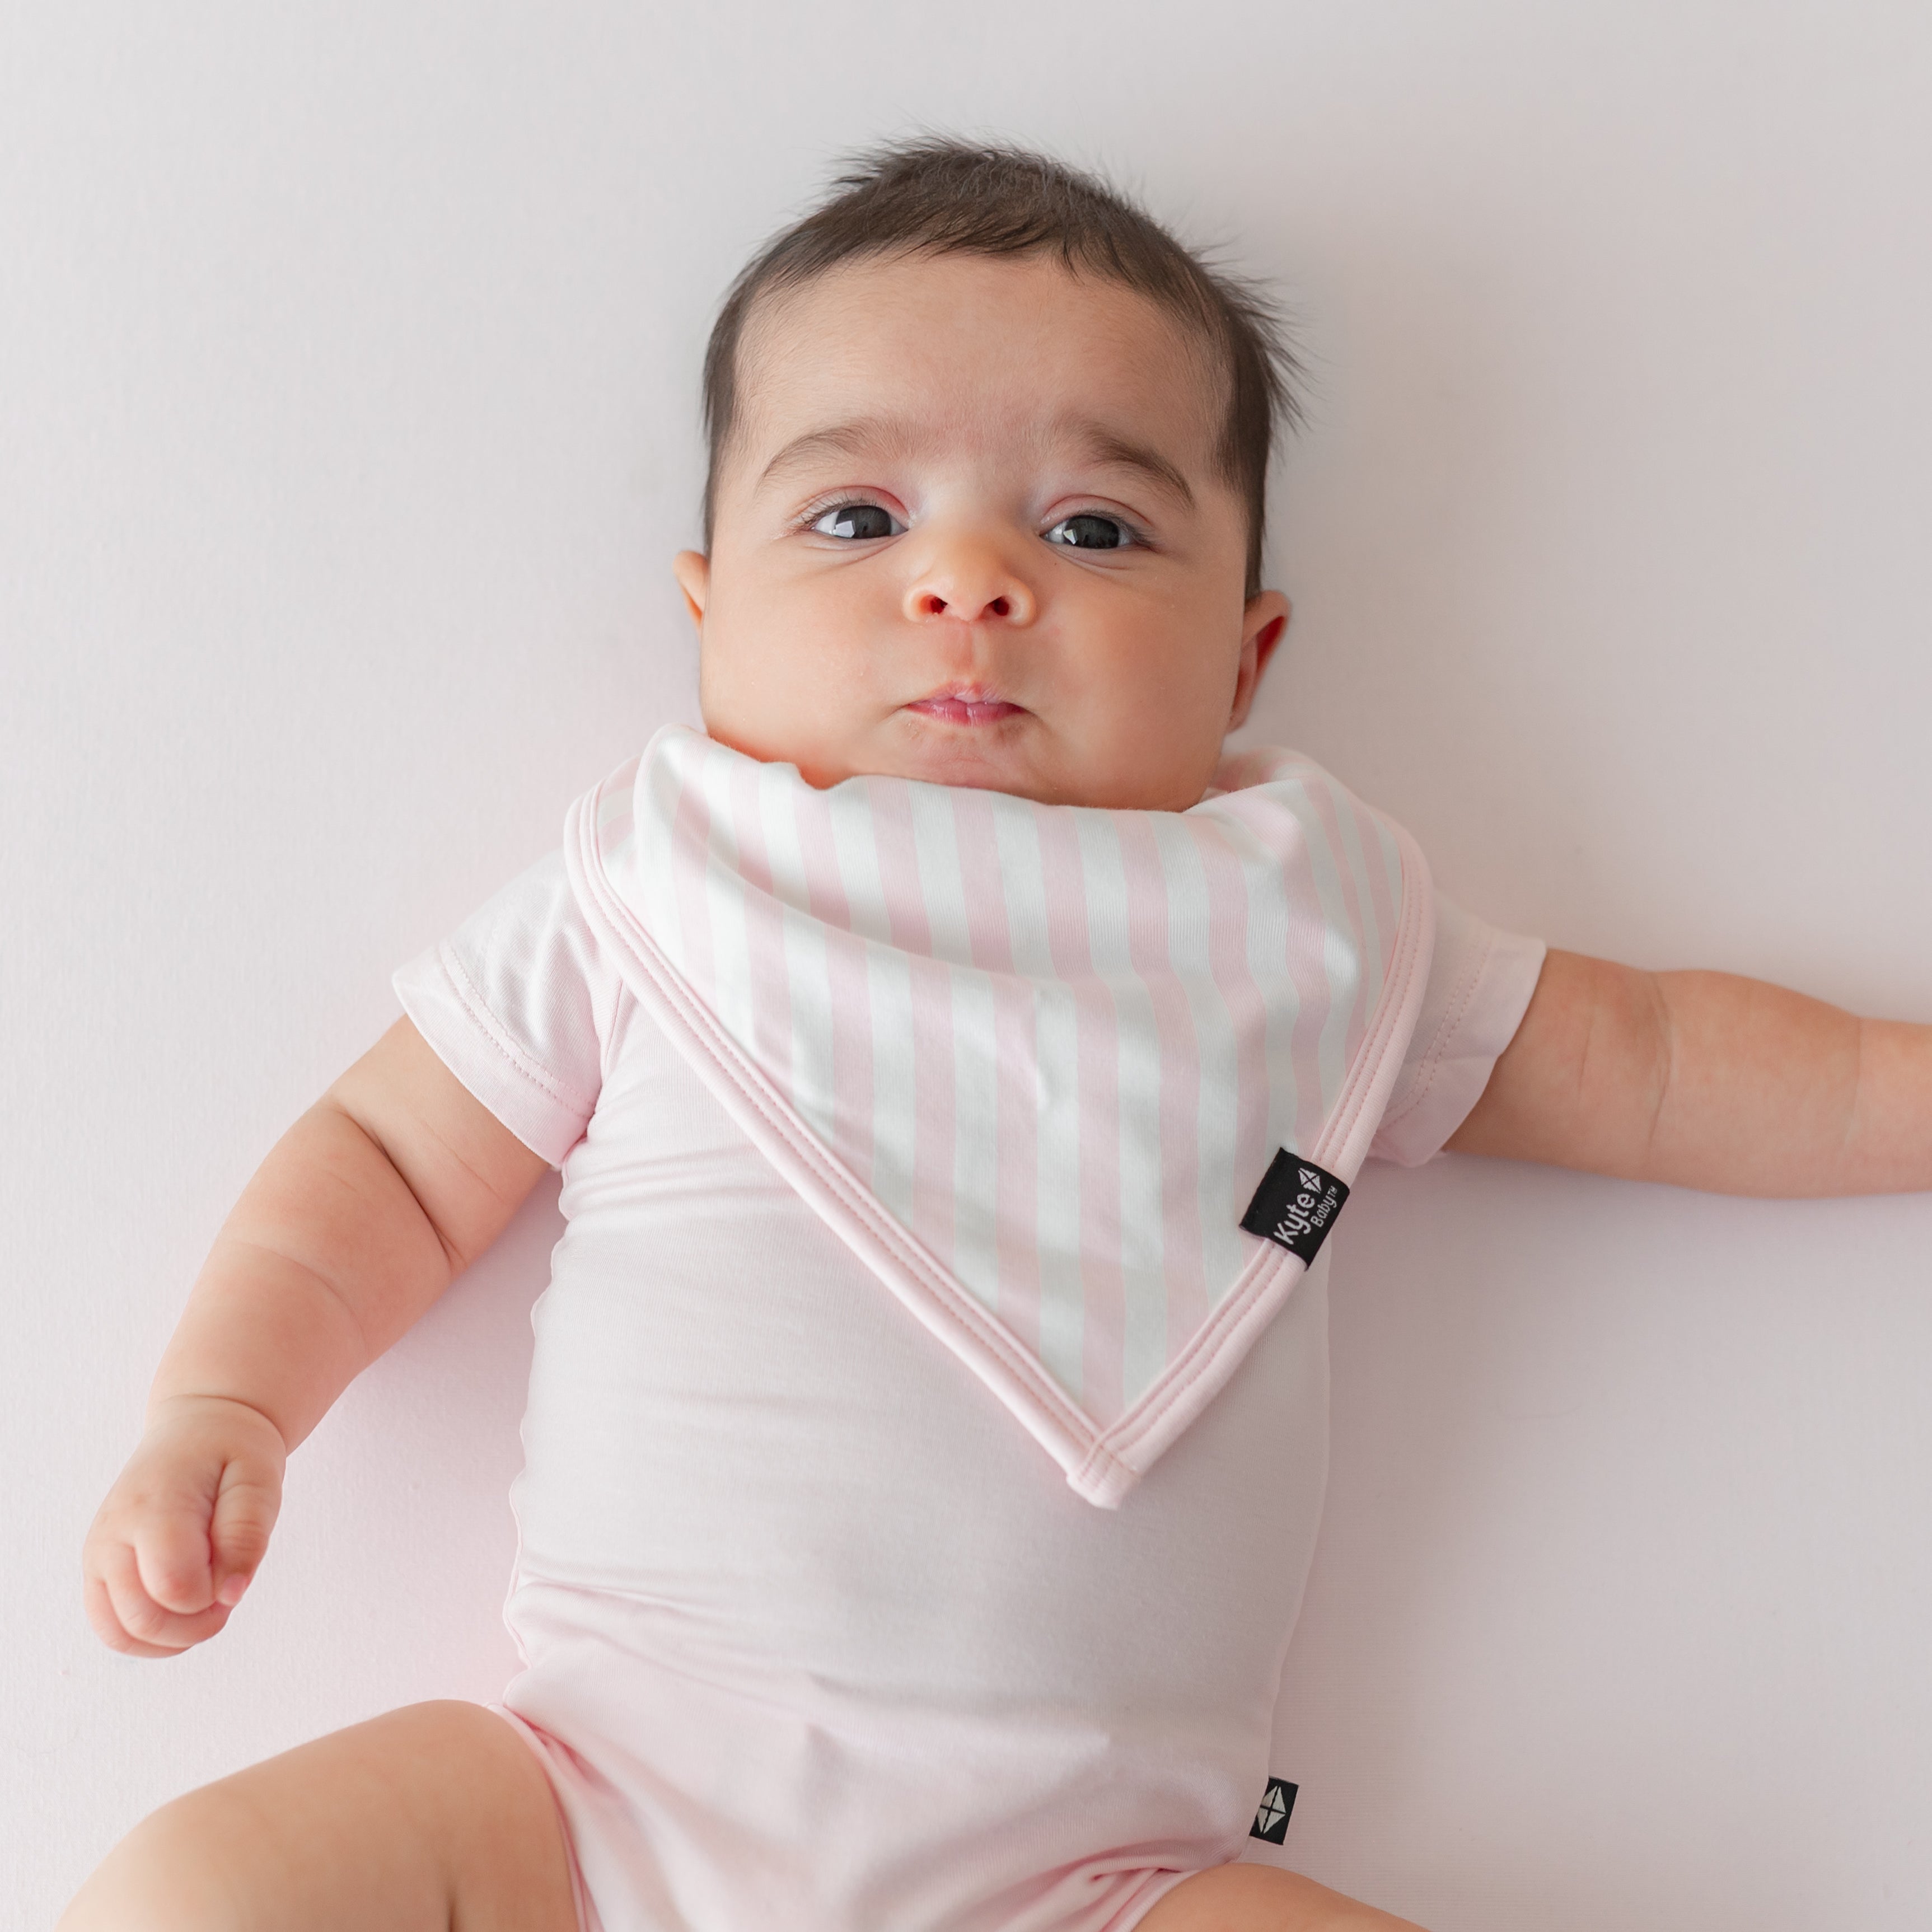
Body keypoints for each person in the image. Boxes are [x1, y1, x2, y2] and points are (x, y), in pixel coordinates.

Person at [58, 138, 1932, 1932]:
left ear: (1242, 658)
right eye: (858, 516)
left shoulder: (1307, 926)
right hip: (599, 1804)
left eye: (1095, 524)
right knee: (196, 1892)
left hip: (1108, 1875)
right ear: (710, 614)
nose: (966, 581)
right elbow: (384, 1158)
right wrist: (227, 1404)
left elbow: (1667, 1065)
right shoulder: (664, 884)